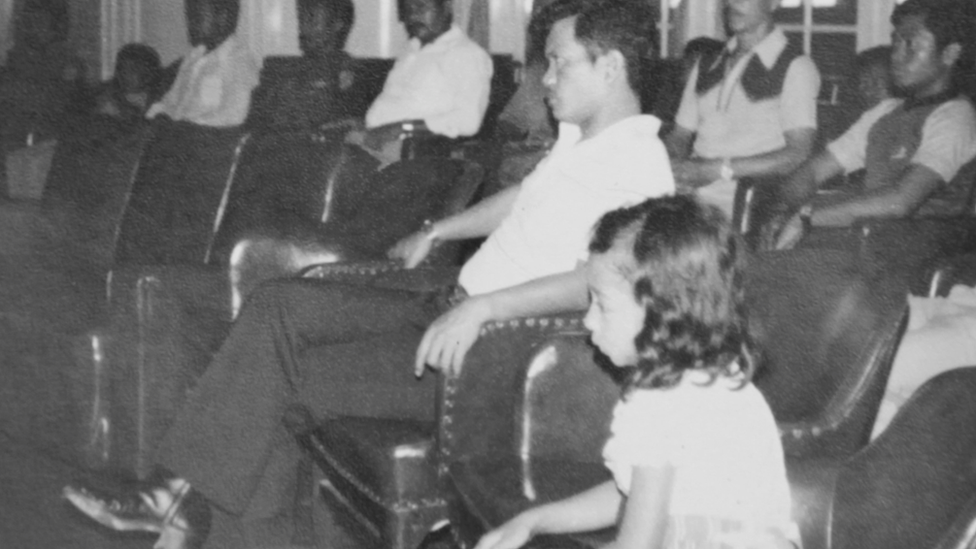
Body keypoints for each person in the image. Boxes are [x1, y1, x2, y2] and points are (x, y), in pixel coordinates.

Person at [63, 3, 675, 548]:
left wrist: (486, 309)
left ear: (611, 67)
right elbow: (521, 197)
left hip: (488, 350)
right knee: (278, 303)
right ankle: (186, 506)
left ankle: (181, 506)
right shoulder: (580, 142)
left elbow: (597, 281)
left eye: (559, 63)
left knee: (279, 378)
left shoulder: (637, 165)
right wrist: (439, 231)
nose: (545, 79)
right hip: (445, 298)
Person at [475, 195, 796, 549]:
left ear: (662, 311)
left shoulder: (658, 407)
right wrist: (535, 520)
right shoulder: (713, 376)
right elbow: (633, 492)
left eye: (602, 304)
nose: (588, 320)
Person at [765, 0, 976, 249]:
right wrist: (784, 210)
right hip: (863, 243)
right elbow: (811, 173)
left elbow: (901, 201)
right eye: (895, 42)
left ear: (950, 53)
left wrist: (807, 217)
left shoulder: (955, 118)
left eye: (910, 44)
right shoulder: (886, 112)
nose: (896, 56)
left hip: (917, 252)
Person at [665, 0, 820, 217]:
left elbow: (798, 154)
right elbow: (679, 135)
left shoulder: (795, 66)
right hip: (689, 202)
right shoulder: (707, 63)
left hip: (748, 207)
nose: (732, 2)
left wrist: (716, 170)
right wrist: (673, 167)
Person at [348, 0, 493, 159]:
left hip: (409, 154)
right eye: (407, 9)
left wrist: (402, 128)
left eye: (421, 6)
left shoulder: (466, 54)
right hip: (373, 141)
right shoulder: (411, 49)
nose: (413, 15)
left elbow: (468, 120)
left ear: (445, 7)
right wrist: (366, 123)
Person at [146, 0, 260, 127]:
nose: (189, 24)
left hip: (201, 140)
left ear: (222, 18)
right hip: (174, 135)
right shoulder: (194, 57)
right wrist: (154, 116)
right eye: (188, 17)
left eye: (196, 17)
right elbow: (170, 101)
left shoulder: (238, 62)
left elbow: (234, 117)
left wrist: (184, 127)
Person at [94, 44, 164, 123]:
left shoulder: (155, 98)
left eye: (133, 69)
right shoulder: (107, 96)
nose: (125, 74)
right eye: (121, 68)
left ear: (149, 74)